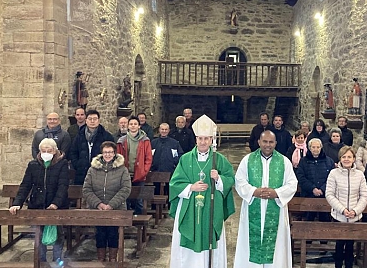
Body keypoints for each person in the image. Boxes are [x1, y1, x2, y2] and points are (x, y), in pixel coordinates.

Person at [169, 114, 235, 268]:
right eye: (200, 138)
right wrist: (191, 187)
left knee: (209, 238)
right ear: (196, 139)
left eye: (207, 139)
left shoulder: (219, 160)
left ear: (212, 140)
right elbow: (174, 183)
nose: (203, 142)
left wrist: (219, 179)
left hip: (212, 208)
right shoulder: (185, 159)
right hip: (189, 205)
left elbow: (230, 179)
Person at [234, 130, 298, 268]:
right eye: (265, 141)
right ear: (259, 142)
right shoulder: (248, 160)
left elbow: (292, 184)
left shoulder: (284, 161)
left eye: (271, 142)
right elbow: (239, 181)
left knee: (276, 247)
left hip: (276, 208)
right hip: (253, 207)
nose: (267, 145)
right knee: (250, 244)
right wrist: (253, 191)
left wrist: (277, 193)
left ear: (275, 143)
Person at [9, 138, 69, 263]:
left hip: (56, 205)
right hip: (38, 204)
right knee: (39, 233)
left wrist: (55, 203)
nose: (46, 152)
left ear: (55, 151)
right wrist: (17, 203)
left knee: (57, 233)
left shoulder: (62, 164)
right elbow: (25, 185)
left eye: (49, 150)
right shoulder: (33, 165)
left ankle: (58, 260)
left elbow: (63, 186)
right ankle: (41, 260)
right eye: (43, 150)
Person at [82, 141, 131, 262]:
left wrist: (111, 205)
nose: (107, 155)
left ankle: (113, 259)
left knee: (113, 234)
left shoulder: (122, 169)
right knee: (100, 233)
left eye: (110, 152)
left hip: (116, 208)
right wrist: (98, 204)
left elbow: (125, 189)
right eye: (105, 152)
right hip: (98, 209)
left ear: (114, 153)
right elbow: (87, 189)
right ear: (101, 153)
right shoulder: (93, 169)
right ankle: (101, 260)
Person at [326, 146, 367, 268]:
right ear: (340, 159)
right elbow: (329, 194)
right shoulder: (333, 174)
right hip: (339, 216)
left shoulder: (360, 175)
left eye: (349, 157)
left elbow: (364, 196)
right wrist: (342, 210)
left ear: (354, 158)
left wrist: (355, 211)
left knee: (350, 246)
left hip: (354, 217)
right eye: (344, 157)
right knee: (339, 245)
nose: (346, 159)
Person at [117, 116, 153, 215]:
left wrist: (144, 171)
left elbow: (148, 158)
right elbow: (118, 157)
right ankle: (126, 222)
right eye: (131, 124)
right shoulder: (122, 140)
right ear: (128, 126)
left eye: (135, 124)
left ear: (139, 126)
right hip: (125, 174)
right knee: (125, 199)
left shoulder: (145, 140)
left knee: (138, 200)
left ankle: (139, 223)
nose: (133, 126)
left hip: (139, 174)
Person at [70, 110, 115, 185]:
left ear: (99, 120)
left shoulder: (106, 136)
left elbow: (112, 153)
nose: (92, 121)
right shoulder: (79, 136)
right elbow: (73, 151)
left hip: (100, 172)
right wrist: (77, 164)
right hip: (82, 172)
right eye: (90, 119)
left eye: (95, 119)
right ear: (86, 121)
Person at [296, 138, 334, 222]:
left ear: (321, 147)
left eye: (318, 147)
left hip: (325, 197)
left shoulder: (329, 161)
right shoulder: (303, 161)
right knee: (308, 223)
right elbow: (301, 177)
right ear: (309, 148)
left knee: (325, 224)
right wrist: (312, 188)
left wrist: (322, 189)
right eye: (313, 147)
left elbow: (332, 178)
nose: (316, 149)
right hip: (308, 196)